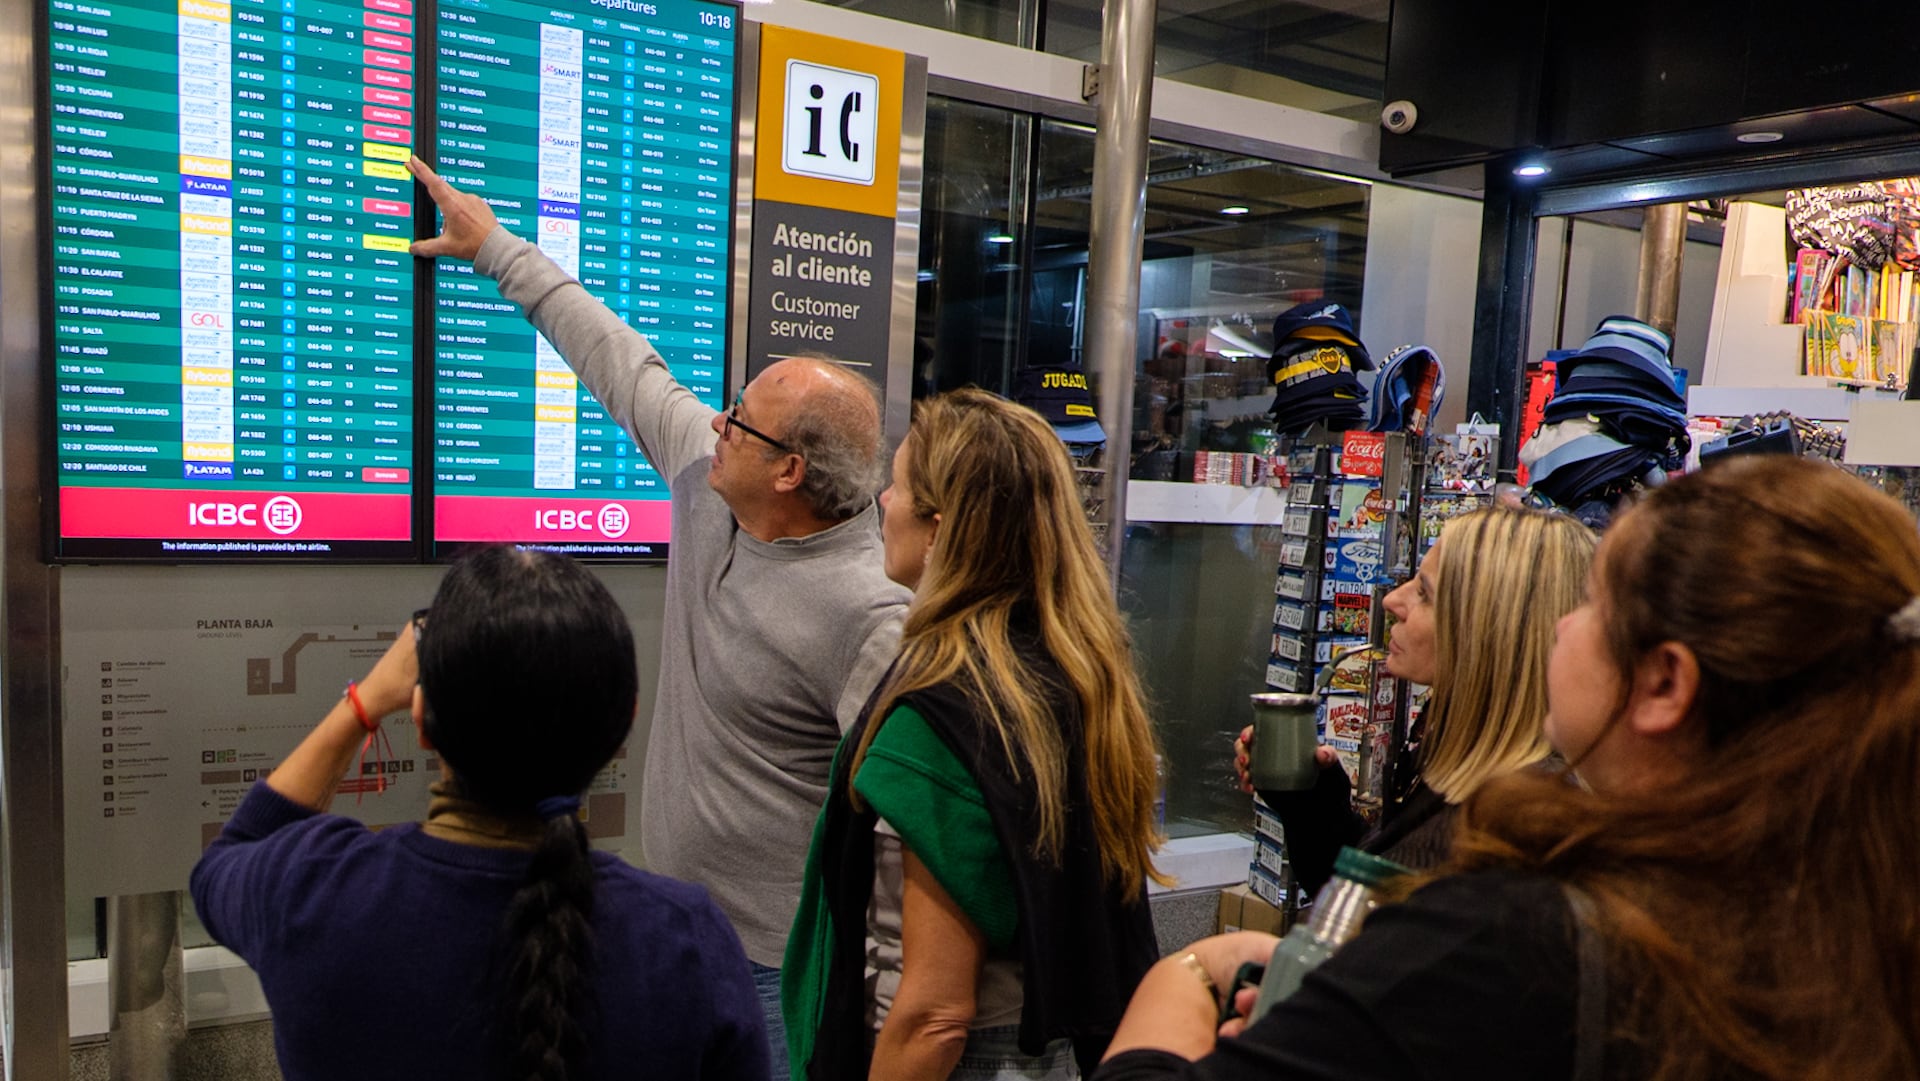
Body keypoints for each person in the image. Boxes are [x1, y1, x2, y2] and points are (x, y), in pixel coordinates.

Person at [1094, 455, 1920, 1080]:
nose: (1564, 627)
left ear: (1665, 682)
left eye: (1596, 604)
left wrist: (1189, 971)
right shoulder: (1843, 931)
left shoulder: (1523, 938)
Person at [410, 156, 911, 1074]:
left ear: (790, 470)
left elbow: (904, 822)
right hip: (668, 926)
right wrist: (496, 251)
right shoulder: (711, 484)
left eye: (739, 420)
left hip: (778, 968)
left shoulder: (871, 611)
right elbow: (620, 362)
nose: (713, 423)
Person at [189, 547, 767, 1081]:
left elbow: (232, 855)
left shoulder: (312, 892)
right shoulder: (685, 939)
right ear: (623, 723)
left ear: (420, 721)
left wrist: (363, 705)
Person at [785, 389, 1167, 1080]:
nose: (881, 503)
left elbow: (933, 1014)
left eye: (898, 485)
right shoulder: (1077, 677)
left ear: (940, 529)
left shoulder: (944, 716)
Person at [1234, 505, 1595, 893]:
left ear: (1485, 632)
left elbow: (1385, 934)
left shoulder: (1517, 829)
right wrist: (1312, 805)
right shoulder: (1451, 748)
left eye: (1424, 593)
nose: (1392, 600)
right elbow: (1373, 892)